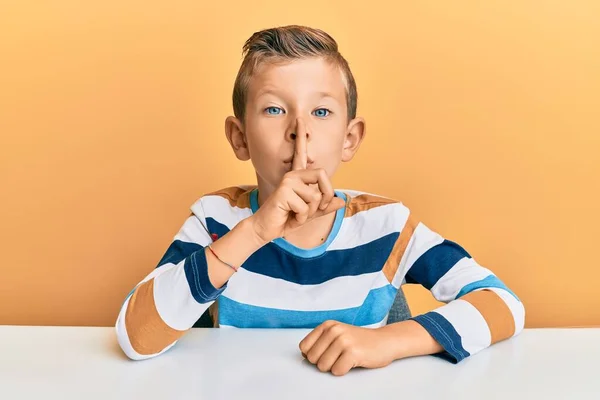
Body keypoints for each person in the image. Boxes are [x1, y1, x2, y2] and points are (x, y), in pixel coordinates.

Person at [116, 25, 525, 376]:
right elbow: (137, 338)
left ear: (350, 139)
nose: (300, 131)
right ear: (240, 137)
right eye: (275, 109)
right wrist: (255, 232)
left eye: (322, 112)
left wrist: (387, 341)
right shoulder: (215, 221)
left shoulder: (387, 225)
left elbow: (503, 304)